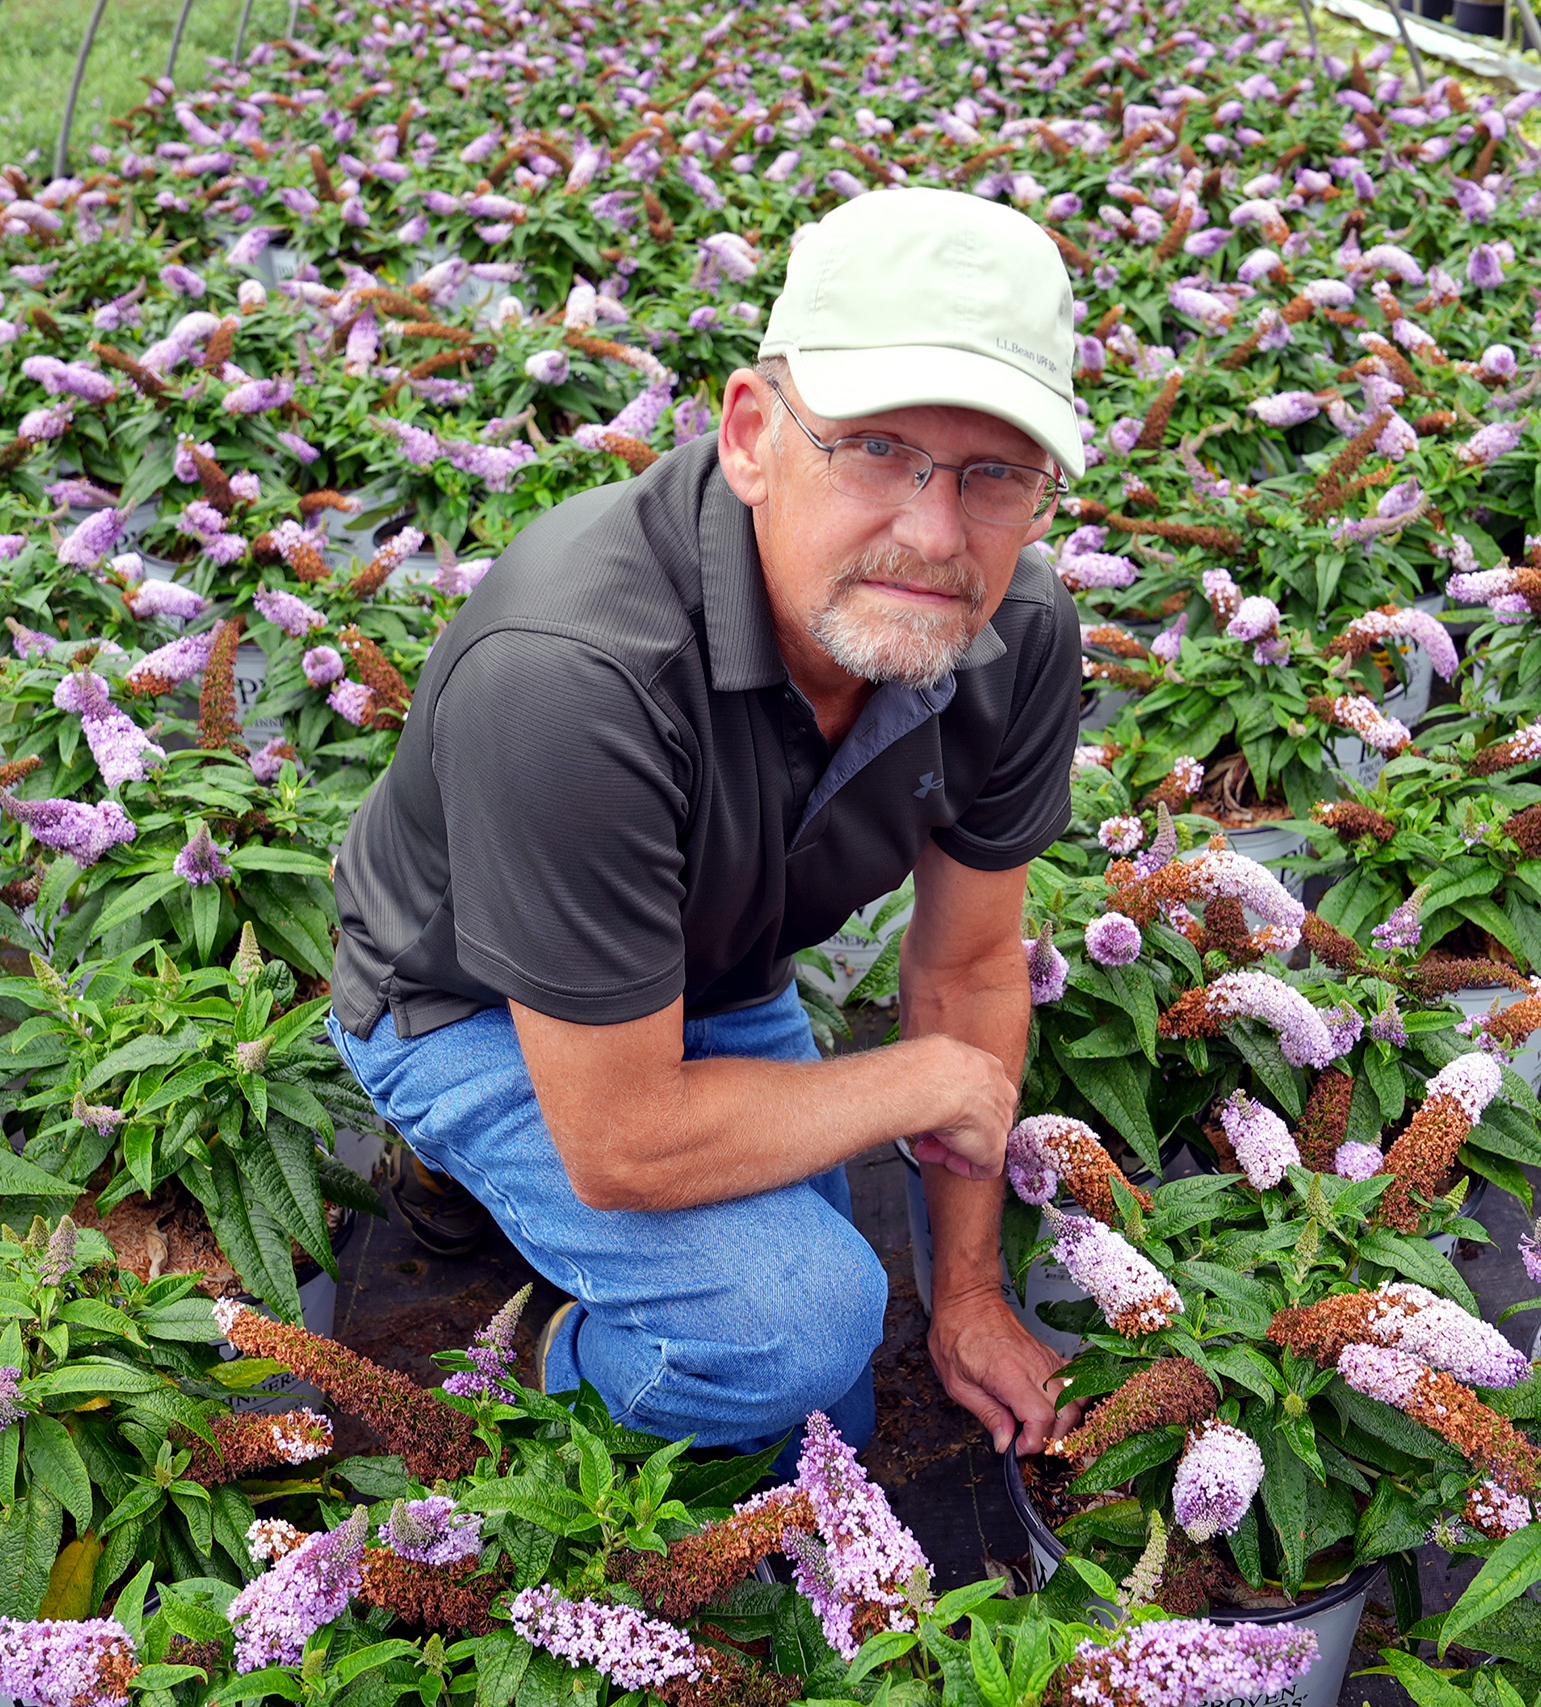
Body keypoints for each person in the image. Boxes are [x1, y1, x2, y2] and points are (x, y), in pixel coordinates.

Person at [326, 185, 1088, 1470]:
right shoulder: (573, 671)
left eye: (994, 474)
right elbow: (629, 1142)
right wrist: (910, 1081)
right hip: (466, 1001)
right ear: (750, 435)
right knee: (795, 1332)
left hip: (708, 976)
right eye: (878, 450)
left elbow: (963, 971)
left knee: (814, 1387)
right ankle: (541, 1359)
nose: (933, 532)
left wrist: (965, 1301)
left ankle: (513, 1212)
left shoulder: (1017, 635)